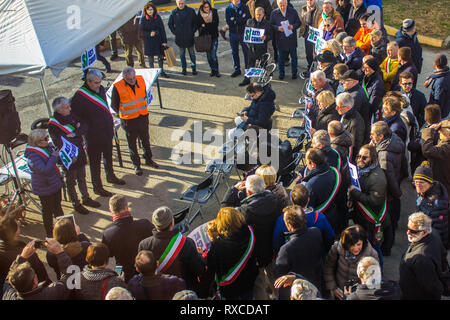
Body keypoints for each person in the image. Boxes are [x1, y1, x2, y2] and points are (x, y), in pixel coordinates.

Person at [221, 175, 282, 299]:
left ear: (248, 191)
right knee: (276, 279)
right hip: (273, 249)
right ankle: (278, 295)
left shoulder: (244, 212)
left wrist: (233, 190)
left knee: (259, 285)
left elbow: (225, 214)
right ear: (264, 186)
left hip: (255, 255)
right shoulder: (277, 200)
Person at [71, 68, 125, 197]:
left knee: (108, 155)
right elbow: (76, 118)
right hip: (93, 136)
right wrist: (88, 127)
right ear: (88, 81)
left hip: (106, 130)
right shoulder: (79, 97)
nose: (98, 85)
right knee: (95, 162)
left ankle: (110, 175)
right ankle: (97, 186)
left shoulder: (100, 89)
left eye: (99, 82)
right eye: (95, 82)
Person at [48, 97, 100, 216]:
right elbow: (60, 141)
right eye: (67, 107)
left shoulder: (71, 114)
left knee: (82, 177)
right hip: (68, 156)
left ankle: (85, 198)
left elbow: (85, 125)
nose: (70, 109)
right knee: (71, 182)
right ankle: (76, 203)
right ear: (59, 109)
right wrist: (77, 129)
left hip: (79, 152)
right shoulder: (53, 124)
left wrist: (76, 132)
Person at [138, 206, 205, 292]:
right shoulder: (187, 243)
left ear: (154, 224)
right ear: (172, 223)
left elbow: (143, 272)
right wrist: (200, 255)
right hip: (183, 291)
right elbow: (199, 270)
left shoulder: (144, 245)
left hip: (158, 292)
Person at [347, 144, 392, 268]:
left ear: (373, 158)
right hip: (362, 217)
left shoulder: (377, 178)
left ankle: (380, 273)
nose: (360, 160)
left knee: (375, 250)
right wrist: (352, 198)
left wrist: (354, 193)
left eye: (364, 158)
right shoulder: (363, 170)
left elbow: (374, 201)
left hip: (372, 221)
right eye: (359, 156)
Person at [110, 66, 159, 176]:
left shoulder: (141, 80)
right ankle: (137, 165)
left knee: (146, 140)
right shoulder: (117, 87)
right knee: (132, 144)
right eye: (129, 79)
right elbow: (114, 105)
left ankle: (148, 159)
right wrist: (124, 114)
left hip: (142, 117)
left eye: (133, 78)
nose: (132, 81)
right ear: (124, 78)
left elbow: (143, 96)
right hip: (129, 121)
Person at [206, 207, 259, 300]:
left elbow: (211, 265)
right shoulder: (250, 231)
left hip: (230, 288)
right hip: (249, 280)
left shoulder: (218, 245)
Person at [370, 121, 405, 255]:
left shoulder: (383, 155)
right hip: (395, 185)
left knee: (387, 223)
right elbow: (403, 165)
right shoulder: (395, 140)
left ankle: (387, 248)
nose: (371, 136)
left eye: (373, 134)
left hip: (388, 192)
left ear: (381, 136)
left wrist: (397, 193)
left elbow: (388, 178)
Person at [101, 195, 154, 283]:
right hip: (145, 266)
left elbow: (106, 255)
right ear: (127, 207)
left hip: (121, 270)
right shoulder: (144, 224)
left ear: (111, 211)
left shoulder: (108, 234)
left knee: (118, 285)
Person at [272, 183, 335, 255]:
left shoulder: (282, 219)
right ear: (308, 199)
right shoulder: (320, 217)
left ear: (291, 200)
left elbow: (277, 242)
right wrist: (323, 251)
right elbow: (330, 237)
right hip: (314, 255)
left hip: (292, 257)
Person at [3, 238, 73, 300]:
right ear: (35, 282)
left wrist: (22, 258)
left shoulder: (9, 295)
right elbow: (71, 278)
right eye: (35, 274)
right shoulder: (50, 294)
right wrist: (60, 252)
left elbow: (8, 281)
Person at [273, 206, 324, 290]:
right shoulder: (316, 232)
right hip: (317, 282)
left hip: (299, 288)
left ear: (289, 225)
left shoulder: (286, 249)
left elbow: (279, 274)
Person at [24, 129, 64, 237]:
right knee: (48, 212)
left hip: (54, 183)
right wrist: (54, 156)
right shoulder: (32, 156)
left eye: (48, 137)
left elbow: (56, 160)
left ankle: (64, 229)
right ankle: (50, 234)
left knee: (58, 207)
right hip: (45, 187)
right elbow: (44, 169)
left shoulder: (47, 147)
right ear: (37, 142)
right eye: (45, 138)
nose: (48, 139)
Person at [399, 212, 448, 300]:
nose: (407, 233)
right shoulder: (434, 234)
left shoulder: (421, 258)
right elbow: (443, 256)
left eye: (413, 231)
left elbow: (432, 285)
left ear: (425, 232)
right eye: (408, 228)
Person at [323, 225, 379, 300]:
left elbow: (374, 281)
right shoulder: (337, 248)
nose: (356, 248)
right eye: (352, 245)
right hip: (340, 292)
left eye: (358, 244)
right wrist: (333, 287)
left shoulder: (371, 255)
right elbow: (328, 267)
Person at [296, 148, 342, 233]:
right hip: (332, 214)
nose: (306, 164)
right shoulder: (332, 171)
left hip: (318, 222)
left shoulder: (311, 185)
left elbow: (308, 206)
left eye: (307, 162)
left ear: (312, 164)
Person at [0, 215, 49, 291]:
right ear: (16, 232)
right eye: (18, 226)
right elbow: (43, 278)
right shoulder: (28, 255)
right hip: (30, 290)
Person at [413, 163, 449, 248]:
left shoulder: (437, 204)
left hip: (431, 245)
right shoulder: (423, 193)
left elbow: (439, 231)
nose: (418, 185)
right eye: (416, 182)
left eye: (421, 182)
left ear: (429, 183)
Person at [241, 6, 272, 86]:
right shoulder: (249, 22)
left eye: (260, 15)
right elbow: (246, 33)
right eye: (257, 14)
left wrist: (265, 37)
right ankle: (247, 79)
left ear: (263, 14)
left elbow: (270, 35)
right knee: (249, 64)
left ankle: (263, 80)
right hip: (251, 48)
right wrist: (248, 44)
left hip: (261, 48)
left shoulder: (267, 23)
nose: (258, 16)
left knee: (263, 65)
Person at [270, 0, 300, 80]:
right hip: (280, 39)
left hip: (291, 39)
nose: (282, 7)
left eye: (284, 5)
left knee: (294, 58)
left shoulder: (293, 11)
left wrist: (293, 26)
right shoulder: (274, 13)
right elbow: (271, 25)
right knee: (281, 58)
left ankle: (294, 73)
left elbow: (298, 22)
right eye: (280, 5)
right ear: (277, 5)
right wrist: (277, 28)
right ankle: (281, 73)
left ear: (287, 4)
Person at [168, 0, 198, 75]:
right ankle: (184, 68)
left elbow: (196, 22)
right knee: (182, 54)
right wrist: (175, 32)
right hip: (180, 37)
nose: (181, 5)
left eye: (182, 3)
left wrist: (192, 31)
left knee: (192, 54)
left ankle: (193, 68)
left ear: (185, 3)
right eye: (179, 3)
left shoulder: (191, 11)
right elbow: (170, 24)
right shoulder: (173, 12)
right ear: (176, 3)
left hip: (189, 36)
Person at [421, 119, 450, 197]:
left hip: (440, 188)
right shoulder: (445, 143)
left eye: (441, 130)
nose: (439, 131)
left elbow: (427, 150)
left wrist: (428, 131)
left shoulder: (446, 149)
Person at [139, 2, 169, 77]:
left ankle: (161, 71)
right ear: (146, 10)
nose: (150, 11)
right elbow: (141, 32)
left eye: (151, 9)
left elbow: (162, 29)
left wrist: (164, 41)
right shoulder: (143, 19)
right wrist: (149, 34)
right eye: (148, 10)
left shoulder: (157, 17)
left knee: (160, 58)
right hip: (148, 42)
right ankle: (152, 74)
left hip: (158, 40)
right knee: (150, 59)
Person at [340, 70, 371, 140]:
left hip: (357, 131)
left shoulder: (355, 96)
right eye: (343, 80)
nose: (343, 82)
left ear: (356, 82)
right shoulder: (351, 91)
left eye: (347, 80)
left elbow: (348, 113)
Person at [336, 92, 365, 160]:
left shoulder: (355, 123)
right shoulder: (344, 114)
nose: (336, 108)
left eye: (339, 106)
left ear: (348, 108)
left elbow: (355, 145)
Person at [225, 0, 250, 78]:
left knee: (246, 52)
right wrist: (240, 18)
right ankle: (237, 69)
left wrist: (235, 19)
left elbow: (246, 19)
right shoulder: (228, 9)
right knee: (234, 52)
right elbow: (229, 22)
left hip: (243, 33)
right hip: (233, 33)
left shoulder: (244, 7)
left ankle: (247, 70)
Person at [298, 0, 322, 79]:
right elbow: (302, 21)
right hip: (307, 33)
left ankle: (319, 67)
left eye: (311, 0)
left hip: (315, 33)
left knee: (317, 51)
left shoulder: (319, 9)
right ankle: (310, 66)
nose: (310, 1)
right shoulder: (304, 9)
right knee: (308, 52)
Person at [197, 0, 221, 77]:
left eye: (208, 7)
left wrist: (205, 25)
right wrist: (208, 25)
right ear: (202, 8)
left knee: (213, 55)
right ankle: (212, 70)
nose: (207, 9)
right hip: (205, 38)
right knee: (209, 56)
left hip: (214, 37)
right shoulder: (200, 14)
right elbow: (199, 27)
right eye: (205, 7)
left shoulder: (214, 12)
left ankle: (216, 70)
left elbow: (216, 24)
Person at [425, 53, 450, 118]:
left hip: (440, 115)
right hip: (446, 108)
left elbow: (438, 102)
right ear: (446, 63)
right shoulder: (447, 73)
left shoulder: (440, 82)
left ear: (434, 64)